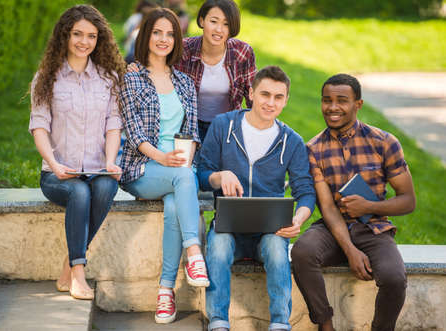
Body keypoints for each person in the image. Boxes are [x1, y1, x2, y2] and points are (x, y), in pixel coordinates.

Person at [291, 74, 416, 331]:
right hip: (332, 227)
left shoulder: (384, 142)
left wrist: (370, 207)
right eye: (327, 100)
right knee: (302, 251)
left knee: (394, 278)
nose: (332, 107)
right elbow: (326, 207)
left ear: (357, 104)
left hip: (373, 228)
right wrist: (350, 250)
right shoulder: (313, 149)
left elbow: (408, 201)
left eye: (342, 101)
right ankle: (325, 324)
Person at [198, 66, 316, 331]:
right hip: (228, 226)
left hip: (269, 231)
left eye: (278, 97)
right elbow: (202, 173)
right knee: (217, 248)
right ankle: (218, 320)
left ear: (286, 100)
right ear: (250, 93)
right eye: (265, 94)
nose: (270, 102)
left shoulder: (292, 141)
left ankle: (279, 323)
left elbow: (306, 192)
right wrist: (220, 176)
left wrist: (298, 219)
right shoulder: (223, 126)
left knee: (277, 249)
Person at [119, 8, 209, 324]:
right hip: (143, 169)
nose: (163, 39)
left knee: (175, 203)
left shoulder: (184, 82)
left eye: (170, 33)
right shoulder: (131, 77)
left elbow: (193, 132)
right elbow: (132, 132)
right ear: (146, 36)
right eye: (157, 32)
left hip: (179, 172)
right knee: (183, 177)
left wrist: (185, 154)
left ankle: (165, 292)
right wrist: (162, 158)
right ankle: (194, 253)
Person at [29, 5, 125, 300]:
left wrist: (110, 161)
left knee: (107, 185)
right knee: (79, 193)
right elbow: (39, 127)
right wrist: (55, 164)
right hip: (58, 175)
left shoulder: (108, 79)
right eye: (77, 34)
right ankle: (79, 275)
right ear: (65, 36)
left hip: (96, 169)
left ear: (100, 40)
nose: (84, 42)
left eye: (92, 36)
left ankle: (68, 266)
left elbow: (113, 125)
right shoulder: (47, 77)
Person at [130, 0, 256, 142]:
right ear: (202, 20)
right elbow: (157, 62)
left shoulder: (242, 53)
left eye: (226, 24)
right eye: (213, 21)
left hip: (226, 128)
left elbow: (253, 97)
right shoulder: (184, 49)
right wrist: (138, 68)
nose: (219, 29)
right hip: (187, 127)